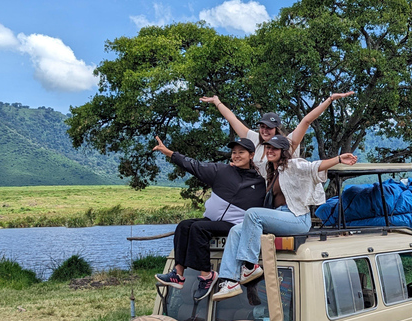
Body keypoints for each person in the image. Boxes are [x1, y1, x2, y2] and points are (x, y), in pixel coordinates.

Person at [213, 134, 358, 301]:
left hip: (297, 218)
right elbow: (248, 164)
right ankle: (229, 280)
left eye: (274, 148)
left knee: (252, 214)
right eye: (268, 147)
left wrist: (339, 158)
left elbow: (314, 167)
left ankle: (249, 266)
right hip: (279, 217)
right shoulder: (269, 169)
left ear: (283, 151)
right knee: (236, 230)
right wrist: (234, 165)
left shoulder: (293, 165)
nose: (270, 150)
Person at [151, 136, 265, 301]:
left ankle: (207, 275)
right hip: (213, 222)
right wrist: (169, 153)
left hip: (234, 225)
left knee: (198, 228)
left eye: (241, 152)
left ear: (252, 155)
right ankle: (178, 273)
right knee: (184, 225)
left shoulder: (260, 181)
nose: (236, 155)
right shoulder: (222, 170)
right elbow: (193, 165)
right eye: (234, 152)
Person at [199, 92, 355, 170]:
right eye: (262, 127)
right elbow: (232, 119)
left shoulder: (286, 143)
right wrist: (217, 101)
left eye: (269, 128)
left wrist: (330, 100)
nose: (265, 131)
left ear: (277, 129)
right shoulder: (254, 139)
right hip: (260, 193)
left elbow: (306, 121)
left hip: (282, 194)